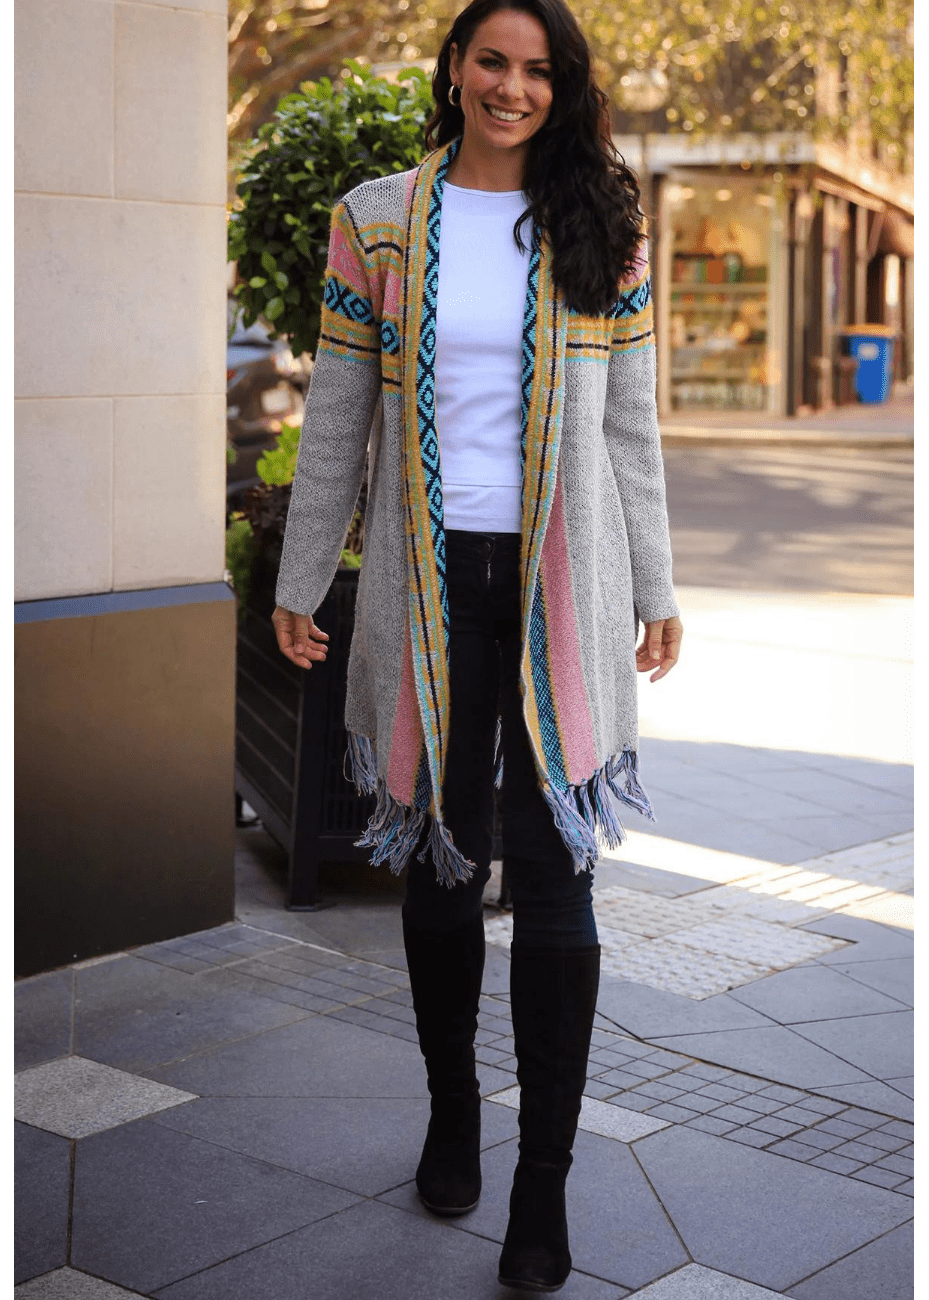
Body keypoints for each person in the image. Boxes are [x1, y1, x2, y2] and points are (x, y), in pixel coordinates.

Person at [272, 0, 683, 1289]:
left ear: (565, 89)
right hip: (420, 578)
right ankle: (453, 1110)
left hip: (565, 576)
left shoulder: (600, 220)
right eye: (493, 63)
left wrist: (657, 586)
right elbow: (341, 410)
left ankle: (542, 1187)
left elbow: (632, 427)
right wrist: (304, 573)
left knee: (560, 870)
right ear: (455, 68)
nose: (513, 88)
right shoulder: (377, 217)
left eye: (539, 71)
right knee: (444, 864)